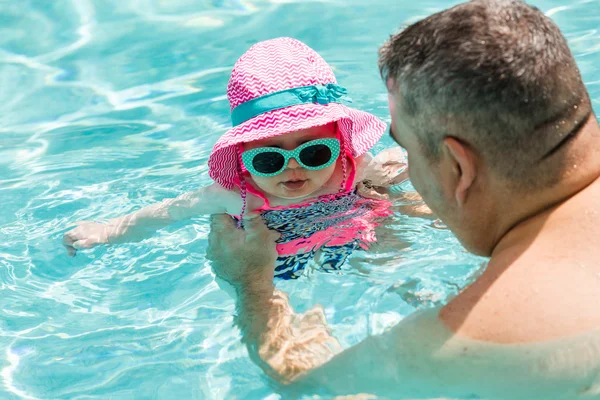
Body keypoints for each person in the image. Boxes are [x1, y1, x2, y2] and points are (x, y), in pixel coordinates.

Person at [206, 0, 600, 398]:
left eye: (406, 149)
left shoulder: (456, 341)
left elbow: (302, 382)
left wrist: (250, 286)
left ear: (457, 167)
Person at [62, 37, 425, 280]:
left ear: (339, 143)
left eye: (314, 152)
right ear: (243, 157)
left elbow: (388, 176)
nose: (293, 166)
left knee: (391, 251)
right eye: (269, 160)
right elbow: (169, 211)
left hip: (354, 230)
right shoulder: (236, 195)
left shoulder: (351, 165)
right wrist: (108, 230)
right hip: (278, 258)